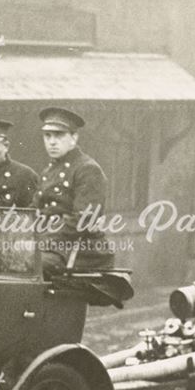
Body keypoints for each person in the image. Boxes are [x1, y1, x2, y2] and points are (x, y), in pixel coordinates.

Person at [32, 107, 115, 277]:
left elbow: (82, 220)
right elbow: (34, 210)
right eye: (47, 136)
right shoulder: (49, 170)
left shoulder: (87, 169)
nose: (52, 142)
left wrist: (44, 239)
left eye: (59, 135)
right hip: (52, 246)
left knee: (27, 263)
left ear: (74, 138)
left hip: (81, 250)